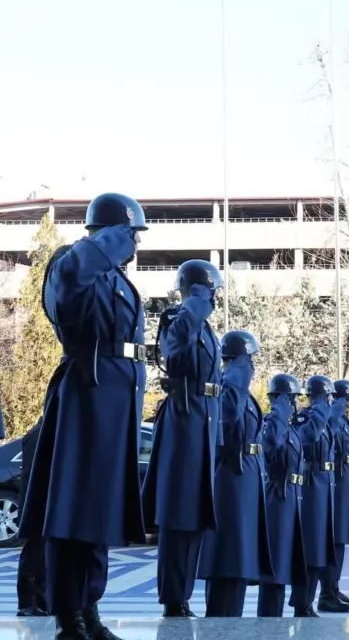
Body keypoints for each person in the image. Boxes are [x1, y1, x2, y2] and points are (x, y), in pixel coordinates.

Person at [20, 193, 148, 640]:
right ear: (110, 232)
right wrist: (103, 243)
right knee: (72, 511)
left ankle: (90, 610)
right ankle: (68, 617)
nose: (135, 243)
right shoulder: (73, 262)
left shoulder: (114, 277)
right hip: (85, 399)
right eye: (130, 233)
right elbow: (68, 290)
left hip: (113, 404)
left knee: (99, 513)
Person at [141, 258, 224, 618]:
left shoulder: (204, 327)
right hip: (184, 424)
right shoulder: (179, 319)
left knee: (196, 516)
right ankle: (174, 598)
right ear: (199, 291)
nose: (214, 299)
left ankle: (183, 596)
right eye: (210, 292)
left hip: (203, 424)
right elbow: (174, 359)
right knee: (178, 517)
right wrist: (192, 306)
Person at [198, 330, 273, 617]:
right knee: (230, 557)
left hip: (244, 481)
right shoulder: (229, 386)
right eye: (249, 359)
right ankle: (222, 623)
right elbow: (226, 420)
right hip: (231, 480)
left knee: (239, 559)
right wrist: (237, 380)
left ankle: (231, 621)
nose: (252, 365)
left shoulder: (238, 388)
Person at [257, 374, 309, 618]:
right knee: (275, 566)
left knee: (286, 563)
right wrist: (278, 412)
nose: (295, 403)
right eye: (291, 398)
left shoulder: (290, 427)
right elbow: (271, 447)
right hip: (277, 499)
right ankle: (269, 620)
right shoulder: (271, 424)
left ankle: (275, 618)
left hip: (292, 498)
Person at [290, 375, 339, 617]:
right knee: (310, 549)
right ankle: (302, 603)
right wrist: (319, 413)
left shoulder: (324, 419)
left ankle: (308, 601)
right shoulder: (304, 419)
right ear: (321, 397)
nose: (331, 400)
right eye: (328, 396)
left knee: (320, 549)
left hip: (323, 489)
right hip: (309, 491)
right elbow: (305, 443)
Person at [319, 379, 349, 611]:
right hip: (335, 486)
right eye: (348, 398)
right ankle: (326, 594)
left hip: (346, 485)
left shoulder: (345, 419)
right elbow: (328, 439)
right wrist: (334, 414)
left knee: (341, 539)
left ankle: (334, 588)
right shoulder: (332, 418)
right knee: (333, 539)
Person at [16, 418, 47, 617]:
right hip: (37, 504)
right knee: (35, 553)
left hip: (40, 503)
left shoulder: (43, 432)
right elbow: (35, 474)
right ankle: (27, 602)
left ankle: (41, 601)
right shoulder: (38, 434)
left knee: (42, 555)